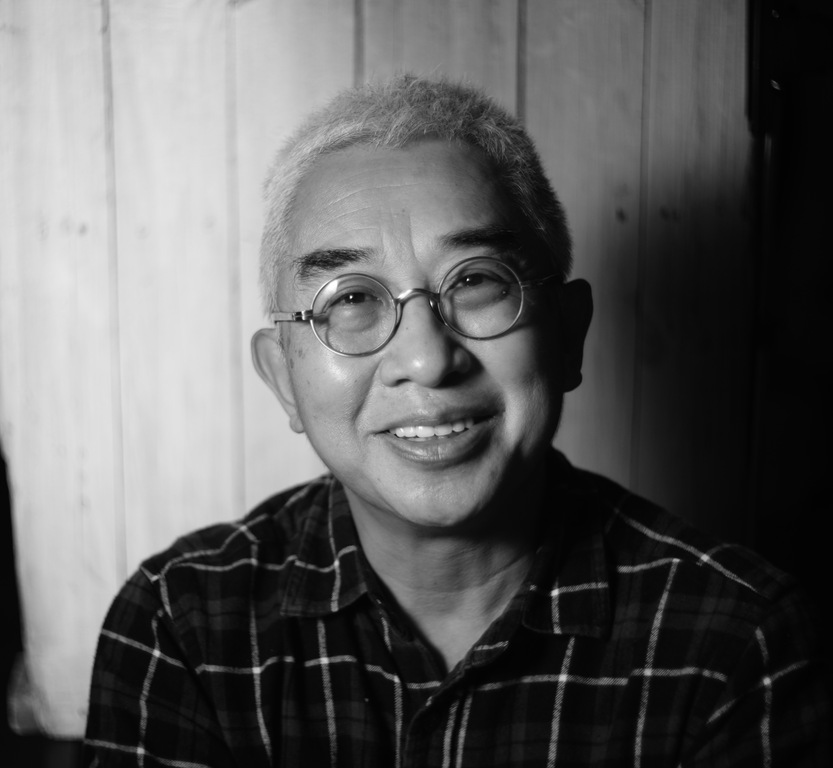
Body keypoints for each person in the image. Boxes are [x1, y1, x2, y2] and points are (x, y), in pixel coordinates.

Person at [84, 75, 830, 767]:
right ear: (283, 377)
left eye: (474, 281)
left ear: (568, 334)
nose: (427, 359)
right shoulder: (182, 625)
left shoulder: (738, 642)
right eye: (351, 299)